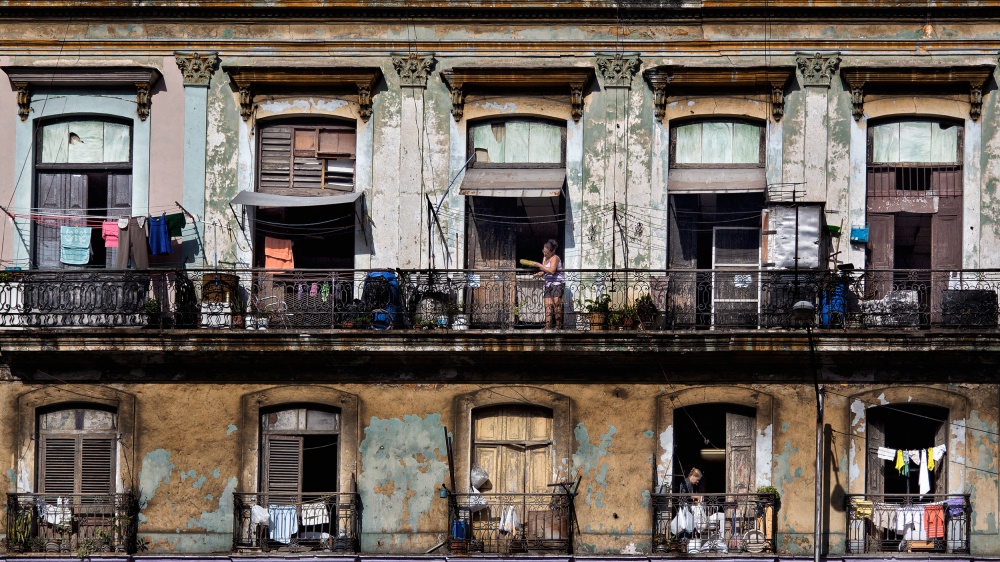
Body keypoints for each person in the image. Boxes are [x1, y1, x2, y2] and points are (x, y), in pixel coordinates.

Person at [530, 239, 564, 329]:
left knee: (556, 304)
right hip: (548, 284)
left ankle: (558, 326)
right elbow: (545, 270)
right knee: (547, 305)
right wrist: (541, 273)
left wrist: (539, 265)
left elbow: (552, 271)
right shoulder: (545, 258)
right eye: (543, 252)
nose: (545, 254)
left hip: (557, 284)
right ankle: (548, 326)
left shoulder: (555, 258)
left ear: (552, 252)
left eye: (547, 253)